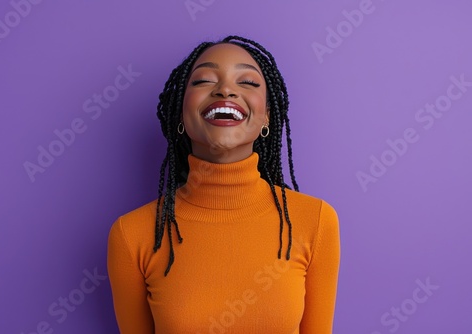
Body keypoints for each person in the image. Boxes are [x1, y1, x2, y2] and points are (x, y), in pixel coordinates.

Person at [107, 35, 341, 334]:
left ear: (266, 116)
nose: (225, 90)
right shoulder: (132, 235)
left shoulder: (315, 222)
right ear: (180, 114)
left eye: (248, 82)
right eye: (204, 80)